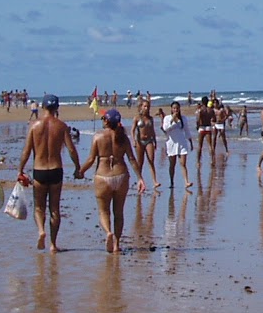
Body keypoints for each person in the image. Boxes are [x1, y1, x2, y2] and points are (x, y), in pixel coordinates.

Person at [16, 95, 81, 252]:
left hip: (40, 170)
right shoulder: (61, 126)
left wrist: (20, 169)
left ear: (43, 107)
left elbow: (27, 150)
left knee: (39, 207)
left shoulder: (34, 126)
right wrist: (77, 167)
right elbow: (71, 149)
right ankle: (53, 244)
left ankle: (41, 231)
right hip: (56, 170)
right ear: (56, 108)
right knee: (55, 209)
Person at [77, 109, 139, 252]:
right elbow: (131, 158)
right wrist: (140, 178)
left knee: (104, 211)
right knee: (119, 212)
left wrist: (80, 171)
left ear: (106, 120)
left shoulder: (98, 137)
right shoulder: (123, 137)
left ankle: (108, 232)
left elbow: (91, 159)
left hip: (103, 177)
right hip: (121, 175)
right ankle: (117, 244)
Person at [160, 101, 195, 192]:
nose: (175, 110)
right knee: (172, 164)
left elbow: (187, 130)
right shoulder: (167, 118)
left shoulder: (183, 119)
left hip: (182, 143)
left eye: (177, 108)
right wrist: (173, 120)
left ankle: (186, 182)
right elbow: (165, 129)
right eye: (174, 108)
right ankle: (172, 182)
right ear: (171, 109)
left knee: (183, 163)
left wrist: (190, 141)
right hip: (171, 144)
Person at [132, 95, 158, 191]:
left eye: (148, 106)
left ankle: (155, 181)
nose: (146, 108)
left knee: (151, 160)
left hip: (149, 140)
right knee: (140, 162)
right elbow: (132, 130)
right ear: (141, 107)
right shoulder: (137, 118)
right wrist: (133, 140)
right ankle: (140, 180)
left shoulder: (150, 119)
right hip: (139, 141)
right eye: (145, 106)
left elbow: (152, 130)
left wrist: (155, 141)